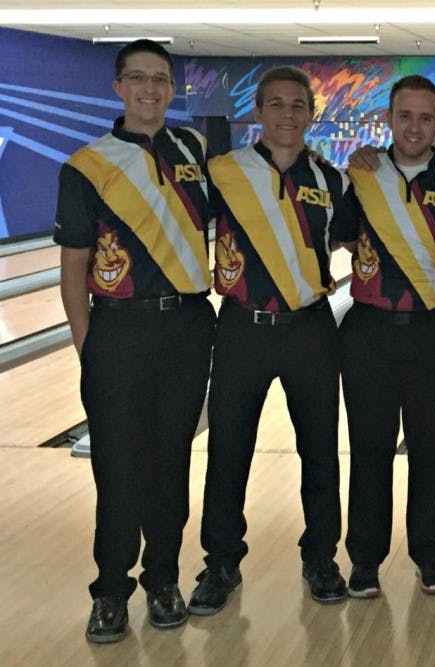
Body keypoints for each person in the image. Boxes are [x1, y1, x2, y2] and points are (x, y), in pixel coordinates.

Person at [56, 39, 215, 643]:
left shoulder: (194, 150)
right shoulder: (86, 166)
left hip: (187, 325)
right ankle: (109, 590)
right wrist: (88, 347)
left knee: (172, 461)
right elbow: (74, 266)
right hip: (119, 329)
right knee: (118, 465)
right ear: (119, 87)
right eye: (138, 78)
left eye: (160, 80)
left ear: (172, 89)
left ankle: (164, 579)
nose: (150, 89)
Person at [186, 66, 348, 616]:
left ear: (311, 114)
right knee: (228, 450)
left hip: (311, 329)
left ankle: (321, 557)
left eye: (297, 105)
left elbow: (353, 240)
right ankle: (221, 562)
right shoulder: (223, 173)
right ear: (257, 112)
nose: (287, 114)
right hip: (242, 328)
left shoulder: (331, 180)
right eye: (275, 104)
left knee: (320, 452)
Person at [337, 74, 435, 599]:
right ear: (388, 119)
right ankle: (365, 560)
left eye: (425, 118)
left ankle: (430, 555)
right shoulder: (363, 174)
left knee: (431, 450)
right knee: (369, 450)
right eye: (405, 116)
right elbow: (345, 237)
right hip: (369, 332)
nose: (414, 127)